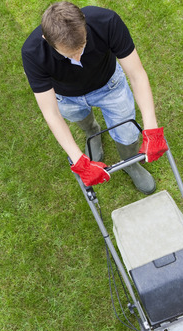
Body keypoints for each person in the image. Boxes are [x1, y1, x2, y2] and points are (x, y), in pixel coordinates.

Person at [21, 2, 168, 192]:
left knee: (127, 132)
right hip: (67, 97)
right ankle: (92, 133)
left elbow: (137, 75)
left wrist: (151, 127)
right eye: (68, 54)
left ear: (85, 23)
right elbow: (51, 113)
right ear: (46, 39)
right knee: (80, 118)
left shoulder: (107, 21)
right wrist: (78, 160)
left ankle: (131, 164)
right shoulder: (32, 52)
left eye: (81, 47)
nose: (77, 59)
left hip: (110, 86)